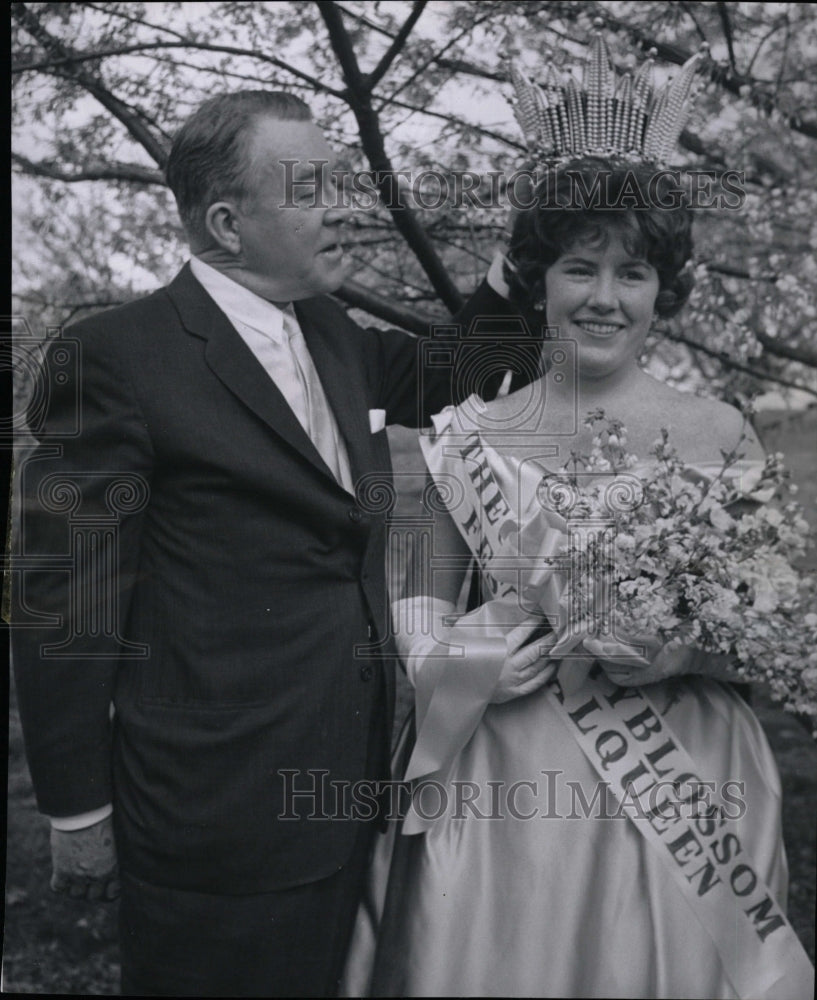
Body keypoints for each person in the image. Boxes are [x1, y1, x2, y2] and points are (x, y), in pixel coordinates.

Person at [10, 90, 540, 997]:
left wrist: (524, 259)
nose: (344, 204)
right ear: (226, 222)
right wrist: (75, 806)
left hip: (343, 790)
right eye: (311, 187)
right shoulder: (114, 358)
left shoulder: (326, 329)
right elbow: (68, 597)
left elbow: (463, 375)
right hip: (213, 810)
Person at [341, 156, 813, 998]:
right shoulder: (468, 430)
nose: (605, 296)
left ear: (664, 291)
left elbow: (772, 631)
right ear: (535, 281)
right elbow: (418, 602)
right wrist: (453, 664)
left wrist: (680, 656)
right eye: (578, 268)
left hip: (688, 782)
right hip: (504, 779)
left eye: (633, 272)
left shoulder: (719, 430)